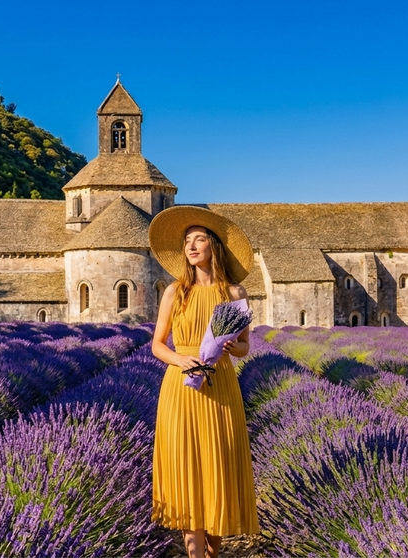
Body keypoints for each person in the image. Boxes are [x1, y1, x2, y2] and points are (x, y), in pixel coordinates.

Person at [148, 206, 260, 558]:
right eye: (187, 242)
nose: (192, 247)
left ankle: (213, 553)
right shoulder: (174, 292)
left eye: (199, 240)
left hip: (221, 387)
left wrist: (231, 345)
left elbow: (244, 347)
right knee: (186, 469)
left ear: (214, 246)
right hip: (180, 388)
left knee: (218, 469)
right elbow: (156, 346)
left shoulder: (235, 294)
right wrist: (181, 359)